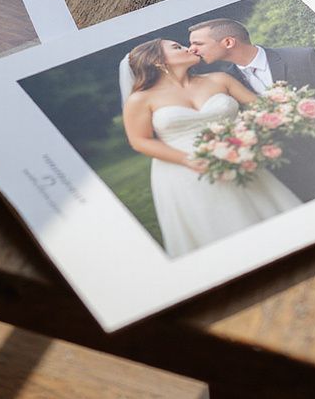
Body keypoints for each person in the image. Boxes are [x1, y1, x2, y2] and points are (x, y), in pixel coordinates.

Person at [121, 38, 300, 258]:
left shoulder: (219, 80)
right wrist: (188, 160)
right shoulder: (141, 99)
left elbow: (261, 109)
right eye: (177, 47)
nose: (188, 48)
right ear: (157, 61)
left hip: (238, 156)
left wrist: (262, 126)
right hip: (183, 172)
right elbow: (140, 140)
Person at [186, 18, 315, 201]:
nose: (191, 49)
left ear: (228, 42)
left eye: (198, 43)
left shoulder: (302, 58)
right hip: (294, 179)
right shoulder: (225, 84)